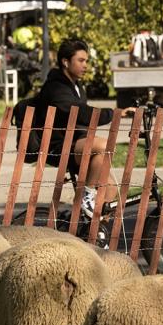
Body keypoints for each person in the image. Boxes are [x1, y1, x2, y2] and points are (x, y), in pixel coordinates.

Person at [33, 39, 134, 219]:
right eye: (81, 60)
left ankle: (95, 231)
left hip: (74, 142)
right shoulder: (56, 87)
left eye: (86, 61)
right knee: (104, 146)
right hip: (58, 146)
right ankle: (87, 194)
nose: (85, 65)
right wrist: (115, 114)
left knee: (110, 190)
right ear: (65, 62)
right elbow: (81, 114)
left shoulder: (76, 86)